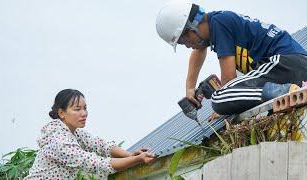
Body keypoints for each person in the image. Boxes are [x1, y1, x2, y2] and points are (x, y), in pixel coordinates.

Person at [156, 0, 307, 115]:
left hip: (285, 62)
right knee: (226, 95)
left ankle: (286, 91)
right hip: (293, 67)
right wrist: (190, 88)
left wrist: (227, 104)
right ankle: (288, 90)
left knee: (219, 98)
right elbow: (199, 50)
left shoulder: (219, 24)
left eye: (184, 42)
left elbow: (229, 79)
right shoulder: (217, 22)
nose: (188, 46)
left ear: (190, 29)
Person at [25, 89, 155, 179]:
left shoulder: (74, 133)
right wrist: (137, 159)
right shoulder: (59, 140)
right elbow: (96, 164)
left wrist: (130, 155)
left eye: (85, 108)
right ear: (61, 113)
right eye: (77, 109)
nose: (84, 113)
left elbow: (101, 145)